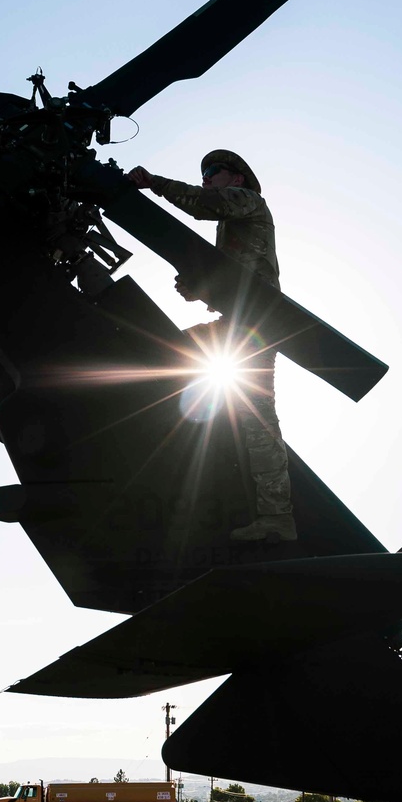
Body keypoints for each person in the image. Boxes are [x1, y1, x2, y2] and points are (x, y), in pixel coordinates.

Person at [127, 150, 296, 543]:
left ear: (235, 179)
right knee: (165, 355)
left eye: (212, 172)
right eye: (203, 173)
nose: (205, 178)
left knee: (258, 422)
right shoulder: (233, 224)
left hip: (253, 325)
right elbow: (233, 274)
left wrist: (155, 183)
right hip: (237, 323)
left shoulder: (248, 202)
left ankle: (276, 518)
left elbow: (203, 206)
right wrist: (198, 289)